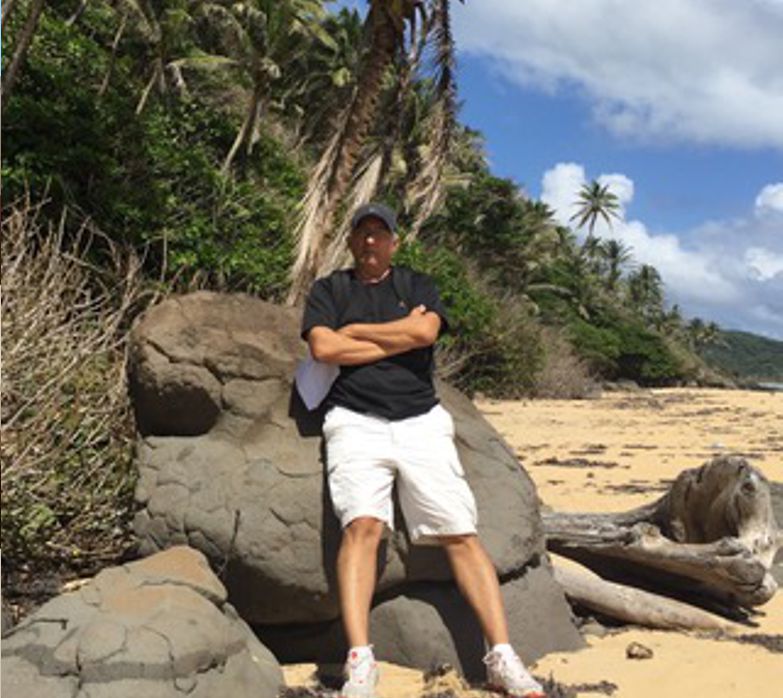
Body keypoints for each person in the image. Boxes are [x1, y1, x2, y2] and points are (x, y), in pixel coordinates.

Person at [301, 203, 546, 698]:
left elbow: (425, 332)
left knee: (459, 532)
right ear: (351, 242)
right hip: (354, 421)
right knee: (362, 528)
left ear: (394, 243)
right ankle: (361, 663)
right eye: (363, 233)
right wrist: (397, 338)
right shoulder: (331, 290)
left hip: (421, 422)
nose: (371, 242)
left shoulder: (416, 285)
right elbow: (324, 349)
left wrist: (358, 333)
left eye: (380, 234)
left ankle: (502, 657)